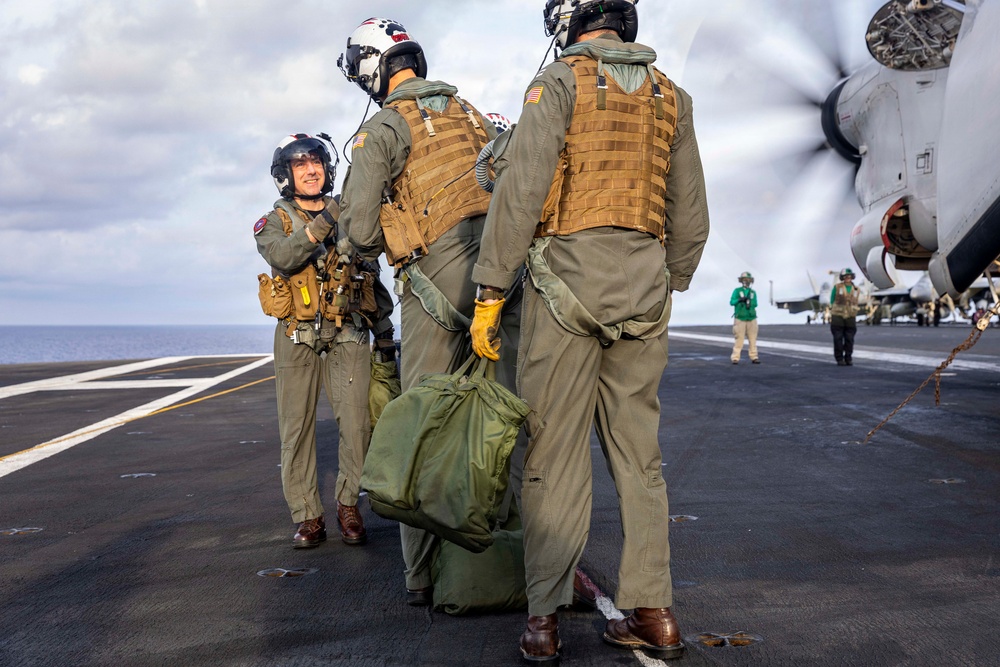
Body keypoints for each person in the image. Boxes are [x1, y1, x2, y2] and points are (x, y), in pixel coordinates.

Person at [469, 0, 710, 661]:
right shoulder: (671, 96)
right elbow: (690, 215)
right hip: (644, 290)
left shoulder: (558, 83)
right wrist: (669, 279)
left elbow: (521, 192)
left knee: (551, 458)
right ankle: (655, 614)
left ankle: (543, 621)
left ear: (567, 25)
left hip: (564, 289)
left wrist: (491, 290)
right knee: (642, 459)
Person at [336, 17, 522, 607]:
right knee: (508, 416)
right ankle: (527, 559)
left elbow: (360, 232)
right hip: (504, 280)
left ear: (371, 71)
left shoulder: (385, 129)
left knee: (418, 420)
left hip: (433, 288)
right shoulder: (471, 113)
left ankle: (420, 576)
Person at [254, 133, 395, 548]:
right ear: (286, 176)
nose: (311, 170)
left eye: (316, 162)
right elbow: (283, 257)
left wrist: (384, 330)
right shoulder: (274, 221)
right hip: (296, 337)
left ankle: (348, 504)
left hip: (348, 331)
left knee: (356, 426)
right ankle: (308, 515)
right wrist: (328, 220)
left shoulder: (348, 217)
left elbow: (370, 272)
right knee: (295, 429)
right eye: (300, 165)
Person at [830, 267, 860, 366]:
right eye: (846, 276)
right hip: (838, 315)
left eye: (849, 276)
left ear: (852, 277)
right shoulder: (837, 287)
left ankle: (848, 357)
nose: (847, 278)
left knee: (849, 338)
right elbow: (832, 299)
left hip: (850, 316)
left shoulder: (856, 289)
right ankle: (839, 358)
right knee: (838, 338)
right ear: (842, 277)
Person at [730, 271, 760, 364]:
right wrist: (740, 300)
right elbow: (732, 302)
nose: (746, 281)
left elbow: (755, 304)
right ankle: (735, 358)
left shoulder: (753, 292)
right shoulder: (737, 291)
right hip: (740, 318)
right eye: (744, 279)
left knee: (753, 339)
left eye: (747, 279)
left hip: (751, 318)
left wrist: (749, 301)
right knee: (739, 339)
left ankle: (754, 357)